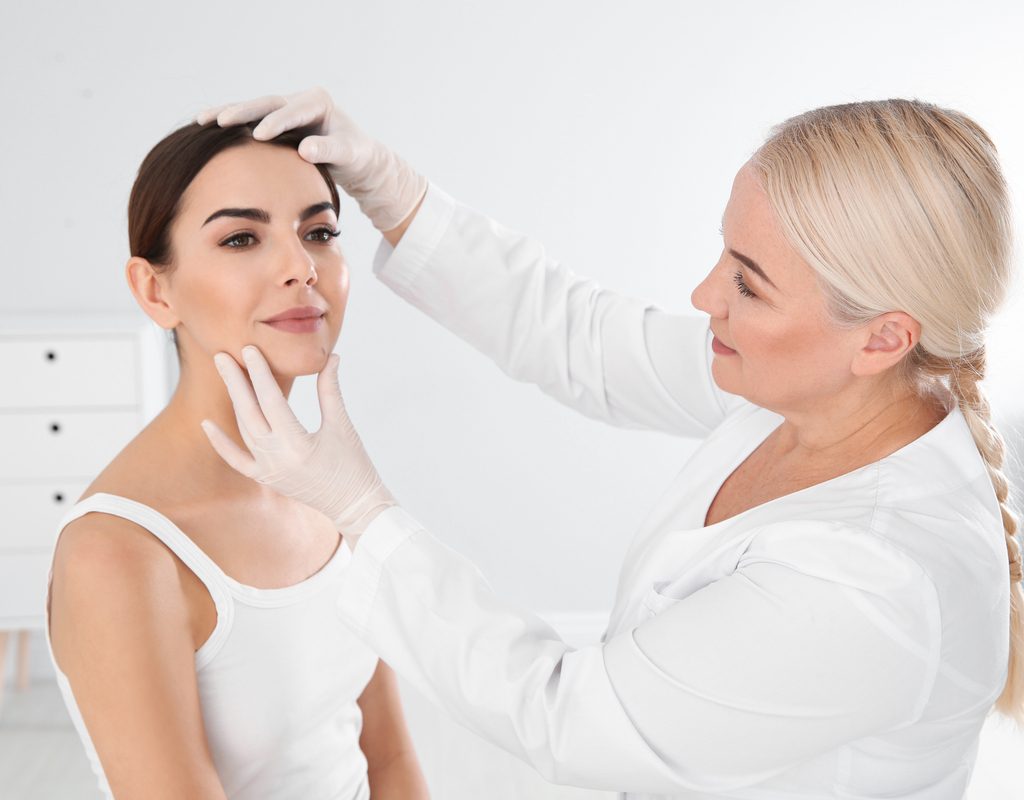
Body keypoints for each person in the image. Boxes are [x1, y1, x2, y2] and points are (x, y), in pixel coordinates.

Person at [199, 88, 1023, 799]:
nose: (707, 295)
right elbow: (584, 340)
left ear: (883, 337)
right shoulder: (824, 390)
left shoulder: (877, 584)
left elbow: (559, 711)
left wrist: (359, 510)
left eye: (749, 282)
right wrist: (392, 189)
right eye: (725, 255)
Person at [44, 120, 430, 800]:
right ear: (155, 292)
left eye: (319, 233)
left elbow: (389, 762)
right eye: (241, 238)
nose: (301, 267)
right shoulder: (118, 552)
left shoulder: (329, 492)